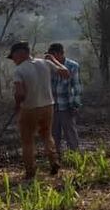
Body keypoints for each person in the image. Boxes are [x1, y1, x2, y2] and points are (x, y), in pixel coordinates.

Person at [7, 41, 70, 181]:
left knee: (27, 140)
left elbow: (20, 94)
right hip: (48, 106)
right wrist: (54, 61)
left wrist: (17, 105)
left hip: (30, 108)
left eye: (14, 57)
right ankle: (54, 162)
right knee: (47, 135)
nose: (13, 61)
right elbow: (65, 73)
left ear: (21, 54)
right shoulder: (45, 63)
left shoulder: (19, 70)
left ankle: (30, 172)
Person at [47, 43, 82, 156]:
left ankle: (75, 157)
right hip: (52, 106)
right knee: (53, 134)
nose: (51, 58)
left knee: (70, 133)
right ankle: (56, 158)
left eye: (53, 55)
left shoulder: (73, 66)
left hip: (67, 105)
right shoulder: (48, 66)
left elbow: (76, 87)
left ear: (59, 54)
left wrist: (76, 105)